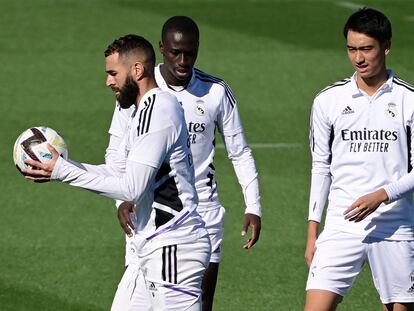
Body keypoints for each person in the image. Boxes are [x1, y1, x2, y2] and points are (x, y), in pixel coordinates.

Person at [24, 34, 211, 311]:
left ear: (137, 70)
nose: (108, 81)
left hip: (174, 247)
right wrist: (61, 167)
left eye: (113, 73)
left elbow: (132, 188)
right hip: (149, 248)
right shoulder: (140, 112)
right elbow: (117, 172)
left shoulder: (159, 109)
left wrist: (63, 171)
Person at [108, 16, 262, 311]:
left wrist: (253, 206)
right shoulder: (136, 87)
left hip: (203, 215)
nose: (182, 60)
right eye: (175, 52)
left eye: (189, 53)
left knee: (200, 306)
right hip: (148, 218)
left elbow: (240, 151)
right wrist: (122, 200)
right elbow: (116, 152)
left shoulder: (215, 91)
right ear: (161, 48)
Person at [305, 7, 414, 311]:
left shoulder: (409, 100)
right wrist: (313, 230)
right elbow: (320, 166)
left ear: (386, 46)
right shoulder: (328, 100)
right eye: (352, 49)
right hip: (341, 225)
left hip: (394, 227)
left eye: (367, 48)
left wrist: (382, 195)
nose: (359, 58)